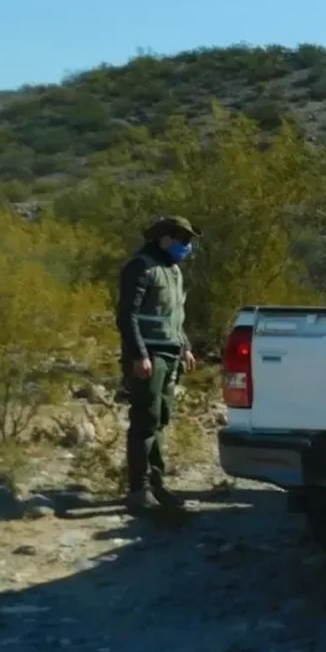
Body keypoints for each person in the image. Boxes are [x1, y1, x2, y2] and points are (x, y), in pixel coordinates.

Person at [116, 215, 200, 519]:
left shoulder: (172, 270)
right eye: (183, 240)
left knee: (162, 418)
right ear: (165, 239)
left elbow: (174, 316)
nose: (187, 247)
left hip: (170, 354)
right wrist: (140, 355)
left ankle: (157, 483)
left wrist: (186, 347)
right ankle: (139, 490)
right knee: (145, 419)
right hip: (148, 356)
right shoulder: (141, 267)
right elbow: (128, 316)